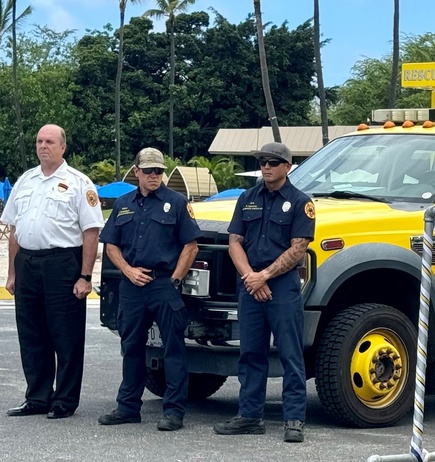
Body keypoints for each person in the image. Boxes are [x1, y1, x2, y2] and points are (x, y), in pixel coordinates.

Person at [1, 124, 104, 419]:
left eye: (49, 141)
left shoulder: (79, 183)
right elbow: (14, 230)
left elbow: (91, 232)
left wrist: (85, 277)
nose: (43, 146)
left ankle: (64, 400)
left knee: (66, 335)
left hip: (62, 264)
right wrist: (11, 273)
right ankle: (37, 397)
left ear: (63, 147)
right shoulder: (25, 181)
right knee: (31, 334)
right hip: (28, 264)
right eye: (39, 141)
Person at [214, 142, 315, 443]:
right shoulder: (247, 198)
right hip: (250, 284)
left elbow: (299, 247)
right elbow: (234, 241)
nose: (266, 167)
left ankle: (294, 418)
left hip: (281, 286)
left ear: (287, 166)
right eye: (262, 162)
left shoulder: (300, 202)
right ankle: (249, 415)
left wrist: (265, 276)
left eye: (273, 162)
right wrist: (250, 277)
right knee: (251, 354)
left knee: (290, 353)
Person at [97, 148, 200, 431]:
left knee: (174, 349)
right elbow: (112, 245)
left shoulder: (176, 202)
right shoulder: (123, 203)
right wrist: (127, 270)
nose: (154, 176)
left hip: (164, 283)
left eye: (159, 171)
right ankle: (128, 407)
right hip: (132, 285)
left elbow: (191, 246)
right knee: (131, 347)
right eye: (149, 171)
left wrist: (175, 281)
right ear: (137, 172)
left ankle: (174, 411)